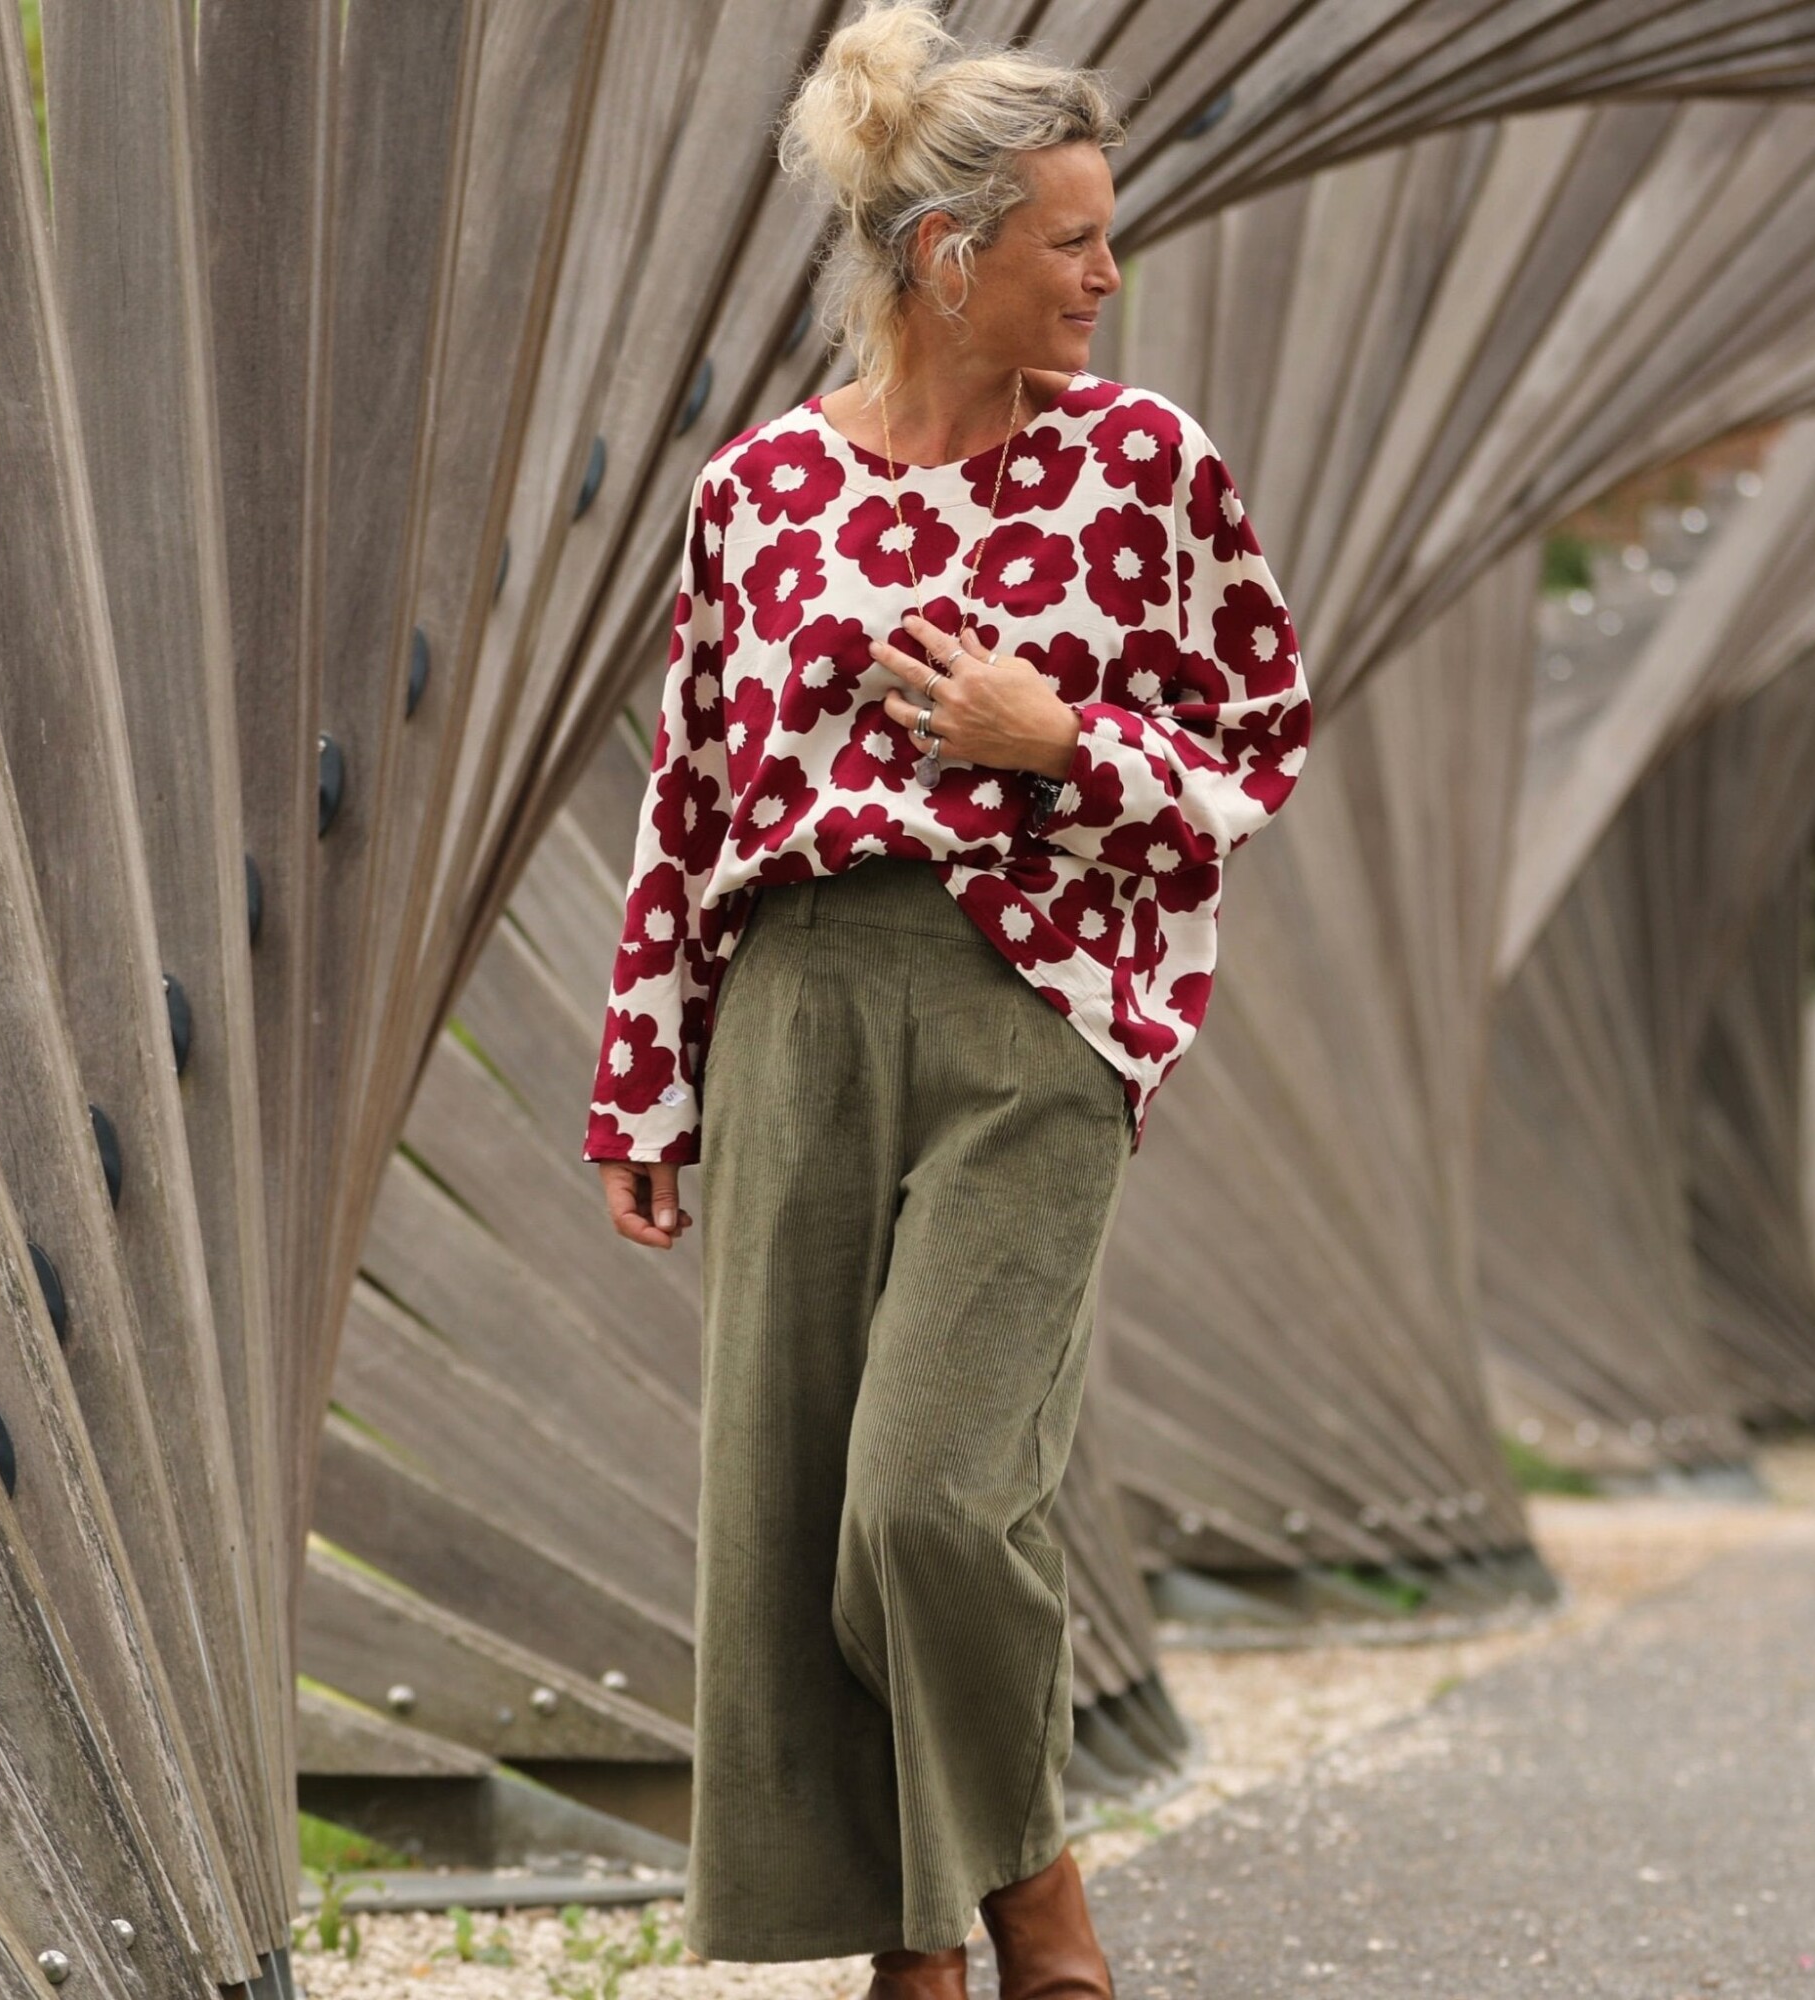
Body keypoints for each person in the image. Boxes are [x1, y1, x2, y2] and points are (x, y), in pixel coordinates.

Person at [583, 5, 1311, 1993]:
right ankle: (907, 1948)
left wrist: (1057, 740)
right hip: (796, 1007)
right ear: (946, 256)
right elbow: (690, 797)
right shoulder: (756, 491)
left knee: (928, 1500)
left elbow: (1259, 746)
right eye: (1072, 240)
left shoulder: (1145, 466)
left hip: (1034, 1007)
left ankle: (1030, 1899)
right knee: (794, 1508)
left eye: (1104, 235)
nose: (1105, 275)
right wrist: (647, 1079)